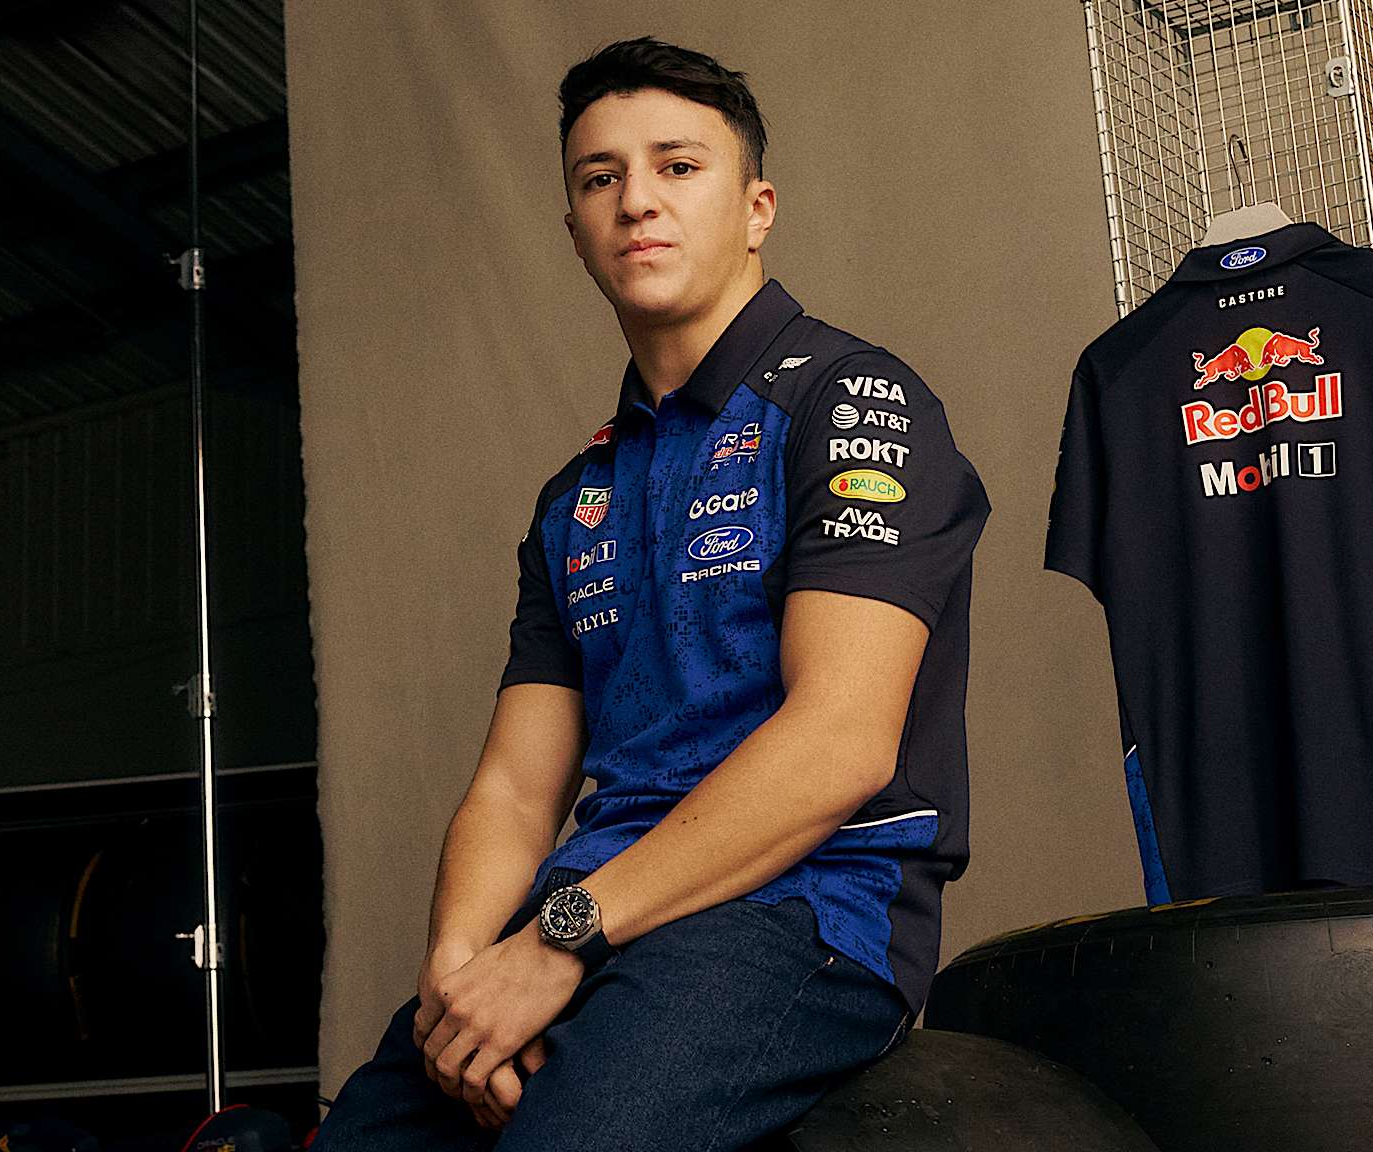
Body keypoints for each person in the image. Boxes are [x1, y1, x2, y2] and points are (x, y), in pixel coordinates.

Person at [311, 36, 991, 1151]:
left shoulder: (852, 401)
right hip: (587, 915)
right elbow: (514, 792)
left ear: (756, 208)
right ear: (574, 228)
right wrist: (460, 970)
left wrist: (558, 940)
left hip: (802, 911)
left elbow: (840, 745)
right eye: (600, 178)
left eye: (677, 166)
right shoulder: (574, 497)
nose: (636, 201)